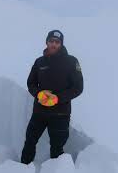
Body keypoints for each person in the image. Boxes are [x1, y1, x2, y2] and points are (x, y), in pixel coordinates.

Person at [21, 30, 84, 164]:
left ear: (61, 44)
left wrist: (58, 98)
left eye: (57, 42)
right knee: (29, 141)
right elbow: (31, 83)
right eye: (51, 41)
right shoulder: (39, 62)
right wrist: (38, 94)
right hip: (39, 112)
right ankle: (23, 167)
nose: (54, 44)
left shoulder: (71, 62)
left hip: (60, 114)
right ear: (47, 42)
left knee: (57, 148)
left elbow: (78, 88)